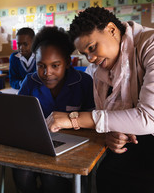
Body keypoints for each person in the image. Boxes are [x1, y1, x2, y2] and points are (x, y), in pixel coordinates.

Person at [47, 7, 154, 193]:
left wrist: (74, 119)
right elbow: (110, 117)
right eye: (84, 54)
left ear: (112, 30)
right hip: (135, 140)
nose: (90, 58)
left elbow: (150, 118)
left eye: (92, 47)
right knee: (105, 176)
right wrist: (113, 133)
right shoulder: (99, 70)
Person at [12, 26, 94, 193]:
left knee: (51, 179)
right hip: (37, 144)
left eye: (55, 65)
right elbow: (18, 115)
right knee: (21, 174)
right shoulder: (30, 81)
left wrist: (71, 120)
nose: (47, 73)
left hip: (75, 146)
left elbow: (94, 119)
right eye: (41, 65)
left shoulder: (83, 82)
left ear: (68, 63)